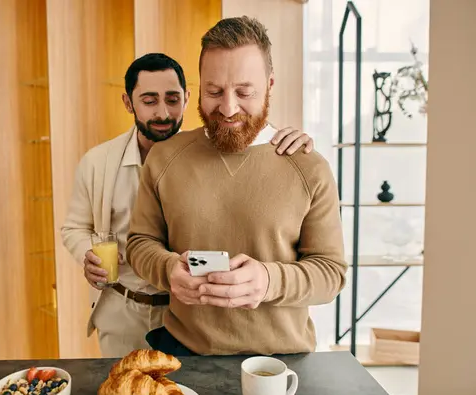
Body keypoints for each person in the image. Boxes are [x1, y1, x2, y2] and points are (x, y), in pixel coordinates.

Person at [61, 52, 316, 358]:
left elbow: (247, 150)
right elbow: (75, 227)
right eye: (149, 100)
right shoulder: (96, 162)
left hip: (186, 316)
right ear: (128, 103)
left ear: (187, 98)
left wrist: (277, 136)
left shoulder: (205, 153)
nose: (163, 113)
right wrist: (87, 252)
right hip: (123, 310)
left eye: (172, 99)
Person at [126, 17, 347, 356]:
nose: (228, 108)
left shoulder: (309, 167)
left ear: (270, 85)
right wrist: (169, 269)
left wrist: (270, 281)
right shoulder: (165, 157)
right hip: (183, 355)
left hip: (282, 363)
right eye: (213, 92)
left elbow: (331, 273)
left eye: (245, 92)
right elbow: (140, 243)